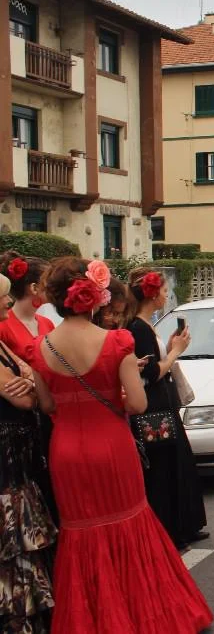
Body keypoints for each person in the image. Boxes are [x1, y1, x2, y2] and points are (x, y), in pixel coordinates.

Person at [28, 257, 213, 633]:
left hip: (66, 451)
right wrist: (119, 395)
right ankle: (142, 615)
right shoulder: (116, 342)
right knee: (129, 525)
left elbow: (46, 405)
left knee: (80, 531)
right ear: (94, 297)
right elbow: (138, 404)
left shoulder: (40, 346)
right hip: (112, 446)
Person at [126, 269, 208, 550]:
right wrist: (175, 351)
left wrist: (171, 346)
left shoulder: (146, 325)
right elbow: (150, 373)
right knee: (163, 470)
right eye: (163, 291)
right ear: (152, 295)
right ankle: (171, 530)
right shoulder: (138, 328)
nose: (166, 295)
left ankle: (184, 525)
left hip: (163, 404)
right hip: (153, 409)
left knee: (177, 464)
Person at [0, 271, 56, 633]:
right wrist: (28, 384)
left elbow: (29, 379)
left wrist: (28, 382)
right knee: (14, 545)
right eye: (3, 297)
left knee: (23, 543)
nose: (7, 302)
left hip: (20, 457)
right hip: (6, 464)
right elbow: (23, 397)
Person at [0, 253, 54, 359]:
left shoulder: (47, 323)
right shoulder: (2, 326)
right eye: (51, 283)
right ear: (34, 288)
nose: (56, 288)